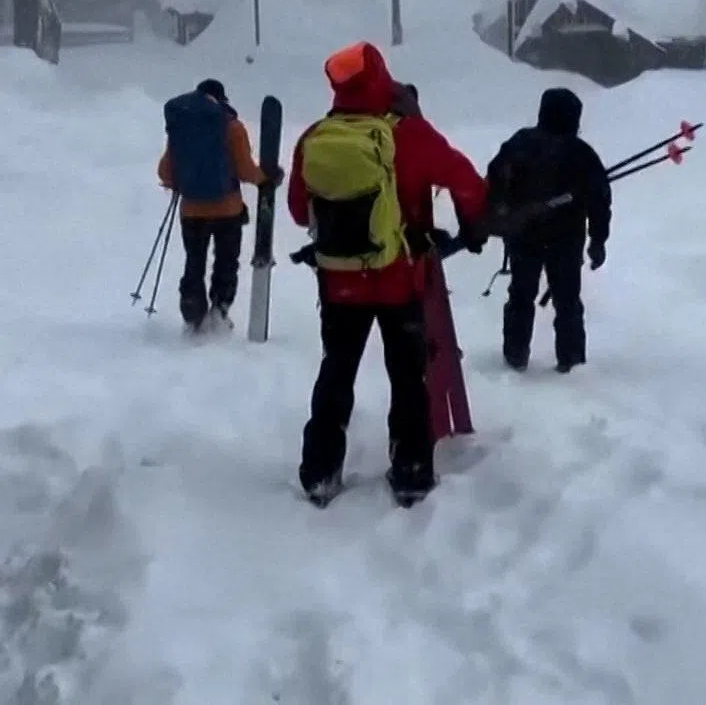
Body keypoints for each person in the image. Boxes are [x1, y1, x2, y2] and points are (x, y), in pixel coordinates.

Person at [287, 42, 488, 506]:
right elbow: (466, 181)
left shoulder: (316, 136)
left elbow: (301, 212)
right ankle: (412, 472)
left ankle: (320, 470)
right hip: (401, 280)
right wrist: (473, 221)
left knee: (336, 371)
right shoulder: (410, 135)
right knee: (407, 375)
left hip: (338, 283)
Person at [487, 87, 611, 373]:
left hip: (523, 237)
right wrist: (598, 240)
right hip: (565, 241)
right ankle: (572, 362)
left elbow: (495, 181)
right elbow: (600, 200)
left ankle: (515, 357)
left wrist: (501, 216)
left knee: (520, 296)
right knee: (567, 302)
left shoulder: (519, 143)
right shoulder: (582, 153)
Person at [158, 79, 276, 330]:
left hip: (191, 210)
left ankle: (192, 309)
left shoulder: (183, 126)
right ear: (221, 99)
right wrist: (267, 177)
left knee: (194, 259)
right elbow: (245, 170)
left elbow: (165, 171)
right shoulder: (231, 127)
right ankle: (220, 309)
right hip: (227, 210)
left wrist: (180, 182)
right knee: (226, 261)